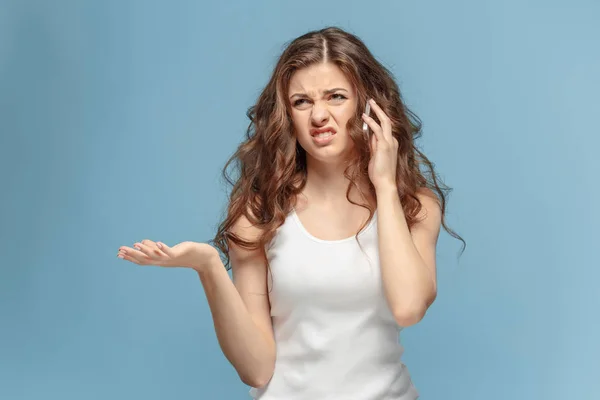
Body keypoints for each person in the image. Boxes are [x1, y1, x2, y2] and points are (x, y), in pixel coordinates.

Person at [117, 26, 465, 399]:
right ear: (287, 115)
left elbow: (409, 308)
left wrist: (385, 186)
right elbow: (256, 368)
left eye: (336, 97)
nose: (319, 115)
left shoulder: (415, 207)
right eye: (301, 102)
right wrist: (208, 267)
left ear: (368, 107)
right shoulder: (261, 213)